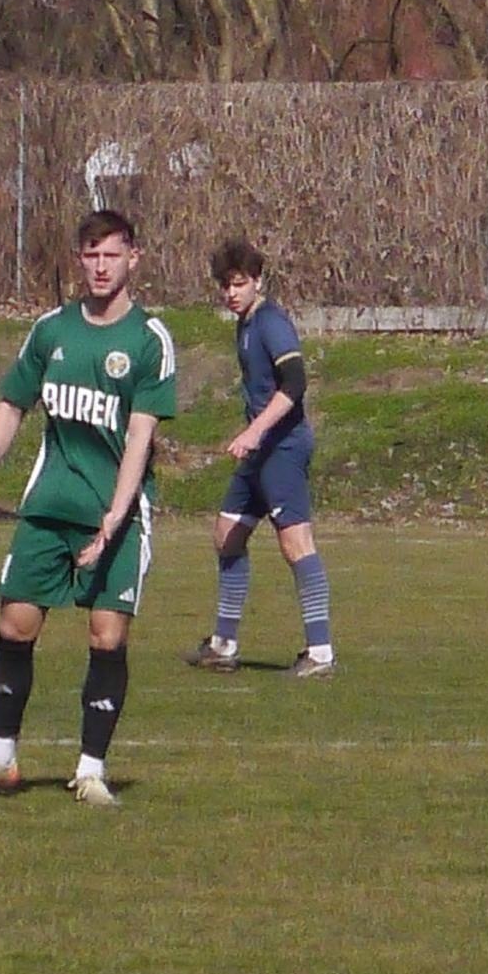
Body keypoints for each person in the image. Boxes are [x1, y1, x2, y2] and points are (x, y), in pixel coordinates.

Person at [0, 210, 177, 807]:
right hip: (49, 507)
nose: (100, 267)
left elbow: (140, 438)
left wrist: (115, 518)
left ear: (133, 259)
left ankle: (91, 771)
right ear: (79, 260)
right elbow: (11, 406)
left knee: (105, 635)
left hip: (114, 515)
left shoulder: (149, 341)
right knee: (14, 623)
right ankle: (0, 760)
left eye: (111, 255)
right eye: (90, 255)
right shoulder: (51, 331)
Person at [185, 239, 334, 678]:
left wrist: (254, 431)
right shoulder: (245, 322)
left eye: (239, 284)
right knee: (228, 533)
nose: (231, 293)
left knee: (295, 543)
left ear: (258, 282)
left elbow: (295, 383)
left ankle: (321, 652)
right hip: (260, 451)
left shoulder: (271, 324)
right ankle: (224, 644)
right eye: (225, 285)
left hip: (282, 449)